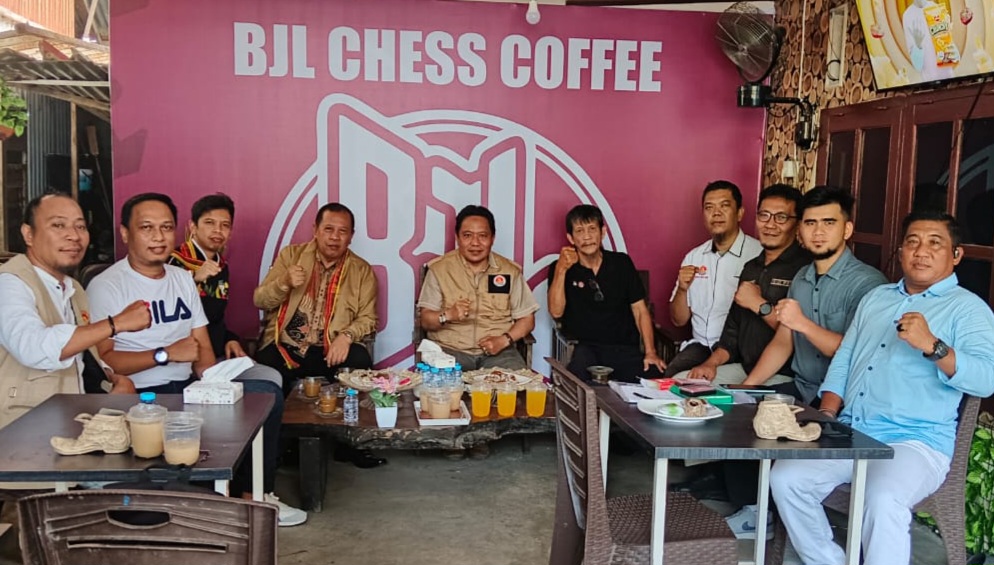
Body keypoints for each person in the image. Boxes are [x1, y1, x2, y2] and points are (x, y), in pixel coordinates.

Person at [771, 210, 994, 565]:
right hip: (853, 431)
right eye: (912, 242)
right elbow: (844, 359)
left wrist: (933, 346)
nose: (921, 251)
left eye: (935, 243)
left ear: (956, 255)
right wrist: (827, 414)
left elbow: (985, 379)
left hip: (914, 441)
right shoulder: (877, 298)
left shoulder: (968, 309)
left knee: (882, 498)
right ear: (901, 251)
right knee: (786, 478)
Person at [87, 193, 306, 527]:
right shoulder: (106, 285)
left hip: (189, 387)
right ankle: (215, 499)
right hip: (143, 395)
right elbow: (106, 360)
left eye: (165, 228)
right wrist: (165, 355)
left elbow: (201, 344)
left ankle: (255, 496)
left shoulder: (180, 279)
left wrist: (217, 380)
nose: (158, 237)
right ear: (126, 233)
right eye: (147, 228)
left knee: (265, 394)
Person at [0, 193, 152, 561]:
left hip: (73, 438)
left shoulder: (73, 290)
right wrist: (116, 323)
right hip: (22, 445)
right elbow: (35, 348)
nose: (73, 235)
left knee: (151, 500)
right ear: (28, 234)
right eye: (58, 225)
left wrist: (112, 382)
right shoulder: (10, 284)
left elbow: (83, 362)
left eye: (80, 226)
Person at [253, 202, 383, 469]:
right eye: (328, 229)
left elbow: (369, 318)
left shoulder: (361, 270)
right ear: (315, 230)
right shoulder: (291, 256)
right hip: (288, 346)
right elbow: (260, 300)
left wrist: (347, 336)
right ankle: (281, 446)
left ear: (351, 236)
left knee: (359, 362)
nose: (335, 237)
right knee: (267, 370)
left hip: (331, 349)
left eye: (342, 231)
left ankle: (349, 444)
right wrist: (284, 283)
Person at [741, 186, 888, 404]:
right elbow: (782, 343)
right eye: (810, 223)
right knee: (738, 411)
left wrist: (801, 323)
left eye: (829, 223)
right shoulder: (801, 277)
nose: (818, 232)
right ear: (800, 229)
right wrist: (745, 390)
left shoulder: (868, 284)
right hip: (803, 389)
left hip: (845, 399)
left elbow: (856, 354)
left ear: (847, 230)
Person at [685, 184, 809, 386]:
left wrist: (759, 305)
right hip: (744, 368)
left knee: (727, 402)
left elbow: (802, 336)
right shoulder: (751, 267)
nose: (770, 225)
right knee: (683, 384)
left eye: (781, 217)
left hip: (784, 375)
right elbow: (731, 333)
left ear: (797, 224)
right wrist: (710, 364)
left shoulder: (805, 269)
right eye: (764, 216)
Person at [548, 204, 665, 382]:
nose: (587, 236)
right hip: (585, 348)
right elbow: (556, 312)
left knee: (654, 378)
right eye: (579, 231)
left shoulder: (622, 263)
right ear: (570, 238)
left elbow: (640, 310)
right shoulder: (560, 268)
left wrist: (650, 352)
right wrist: (561, 270)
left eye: (592, 229)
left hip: (623, 348)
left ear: (602, 232)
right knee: (575, 383)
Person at [417, 205, 539, 371]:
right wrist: (448, 315)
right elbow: (425, 320)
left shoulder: (509, 271)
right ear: (457, 237)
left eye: (482, 236)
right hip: (449, 351)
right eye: (467, 235)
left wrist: (504, 340)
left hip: (499, 353)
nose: (475, 243)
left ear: (492, 238)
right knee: (439, 385)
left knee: (516, 384)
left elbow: (527, 319)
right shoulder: (439, 269)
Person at [666, 180, 762, 376]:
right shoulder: (694, 257)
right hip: (700, 346)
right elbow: (678, 320)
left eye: (724, 206)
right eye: (709, 207)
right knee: (672, 377)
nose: (716, 213)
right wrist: (682, 289)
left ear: (740, 213)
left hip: (738, 351)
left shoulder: (758, 254)